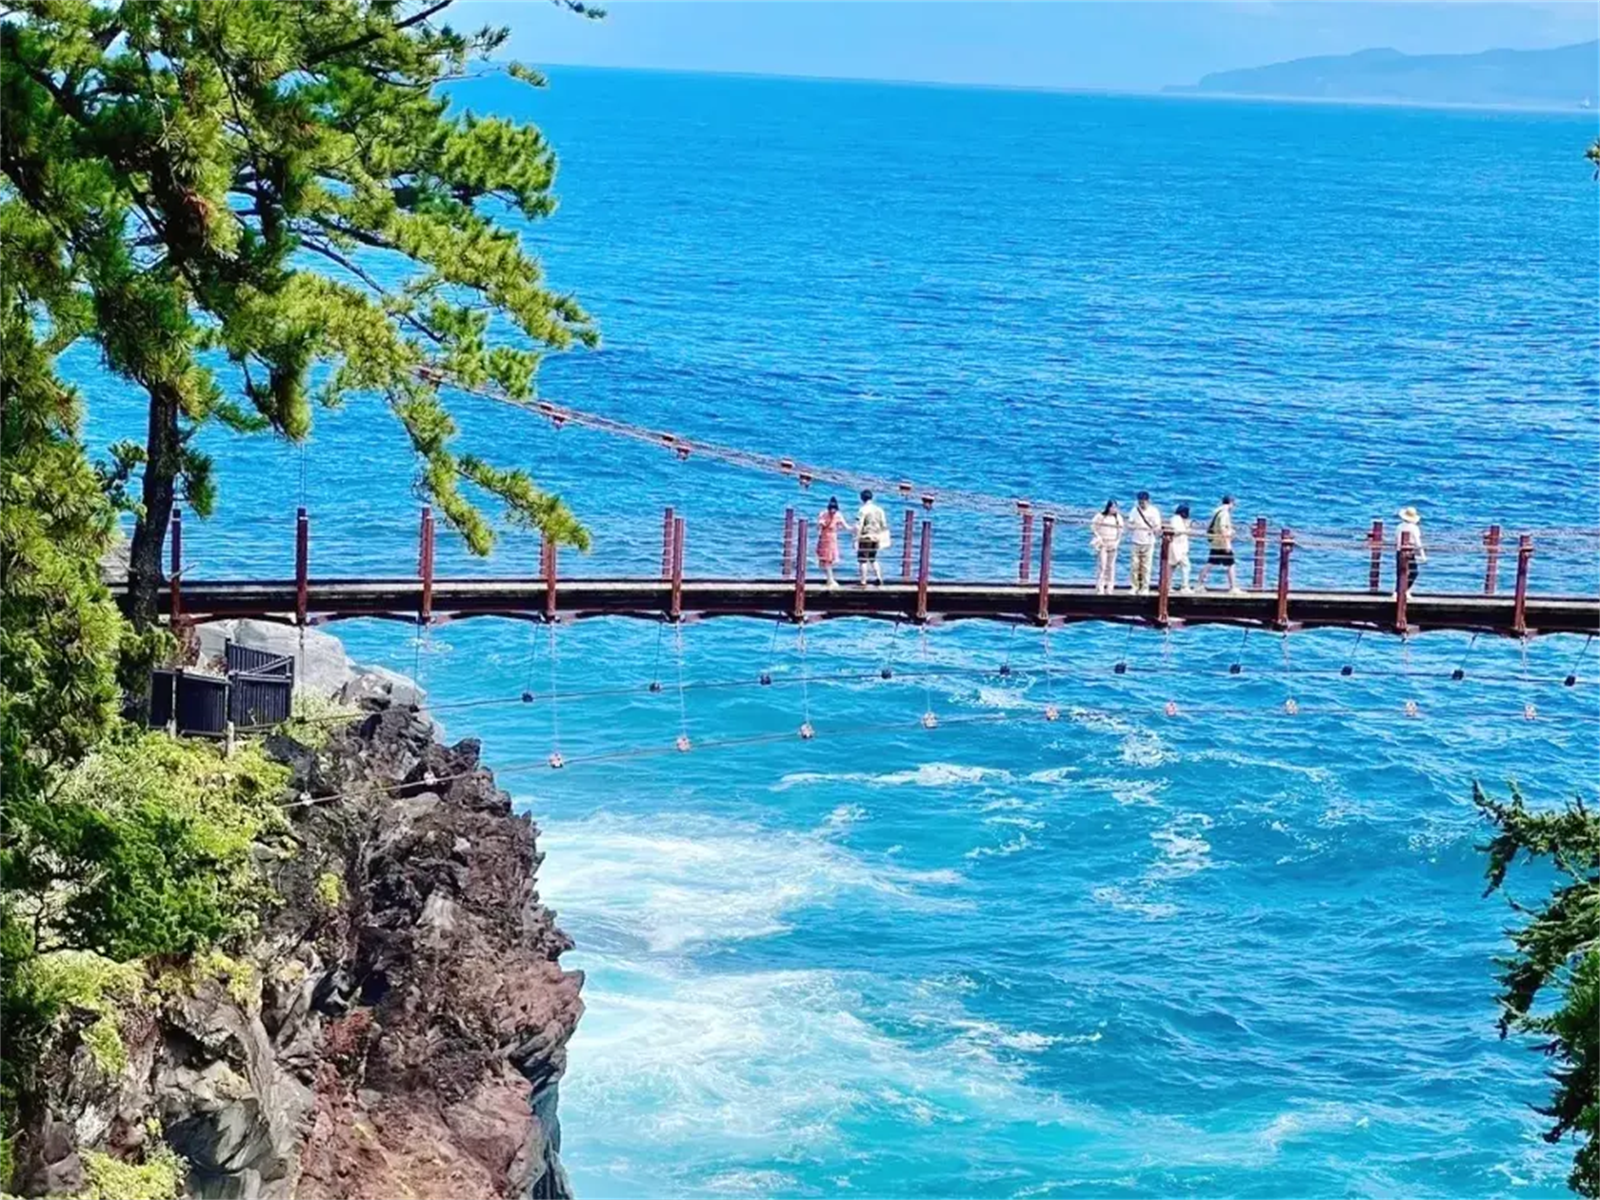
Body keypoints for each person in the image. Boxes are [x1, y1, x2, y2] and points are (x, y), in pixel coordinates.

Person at [1195, 494, 1243, 594]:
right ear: (1231, 503)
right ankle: (1233, 587)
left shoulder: (1217, 511)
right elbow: (1222, 528)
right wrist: (1227, 542)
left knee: (1210, 563)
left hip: (1216, 542)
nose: (1234, 507)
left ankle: (1199, 584)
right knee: (1231, 565)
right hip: (1222, 543)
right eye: (1234, 504)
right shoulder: (1224, 513)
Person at [1128, 491, 1162, 594]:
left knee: (1146, 566)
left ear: (1148, 501)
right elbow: (1130, 523)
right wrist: (1133, 527)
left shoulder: (1154, 511)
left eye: (1143, 502)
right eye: (1140, 502)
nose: (1141, 504)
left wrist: (1153, 530)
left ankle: (1145, 587)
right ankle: (1134, 586)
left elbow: (1157, 526)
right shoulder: (1134, 510)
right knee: (1134, 565)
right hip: (1136, 540)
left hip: (1149, 541)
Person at [855, 489, 890, 586]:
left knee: (863, 560)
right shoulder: (879, 510)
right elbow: (884, 525)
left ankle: (863, 581)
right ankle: (879, 577)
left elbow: (859, 525)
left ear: (862, 498)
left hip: (865, 537)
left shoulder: (862, 510)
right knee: (873, 559)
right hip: (876, 537)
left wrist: (856, 538)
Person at [1090, 499, 1123, 594]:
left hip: (1113, 543)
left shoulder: (1118, 518)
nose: (1114, 509)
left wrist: (1117, 542)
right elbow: (1093, 526)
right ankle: (1100, 587)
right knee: (1102, 566)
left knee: (1111, 566)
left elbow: (1120, 531)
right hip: (1103, 543)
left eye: (1115, 507)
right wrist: (1098, 536)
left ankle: (1110, 587)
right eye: (1112, 507)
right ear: (1108, 507)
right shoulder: (1101, 516)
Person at [816, 497, 849, 590]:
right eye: (831, 509)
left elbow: (845, 526)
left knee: (829, 559)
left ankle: (830, 580)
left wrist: (854, 529)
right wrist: (820, 524)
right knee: (826, 559)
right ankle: (830, 580)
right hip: (824, 537)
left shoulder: (838, 515)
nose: (832, 511)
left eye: (834, 509)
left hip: (832, 538)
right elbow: (818, 526)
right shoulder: (823, 514)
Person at [1395, 505, 1426, 598]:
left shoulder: (1399, 526)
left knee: (1400, 573)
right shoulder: (1414, 528)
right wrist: (1422, 554)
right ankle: (1405, 590)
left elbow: (1397, 540)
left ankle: (1398, 591)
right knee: (1414, 572)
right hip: (1409, 551)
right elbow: (1417, 542)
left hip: (1399, 551)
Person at [1170, 503, 1193, 593]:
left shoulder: (1178, 519)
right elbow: (1176, 531)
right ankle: (1184, 586)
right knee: (1186, 566)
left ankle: (1168, 585)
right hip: (1177, 547)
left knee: (1172, 567)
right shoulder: (1176, 520)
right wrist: (1186, 530)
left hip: (1179, 547)